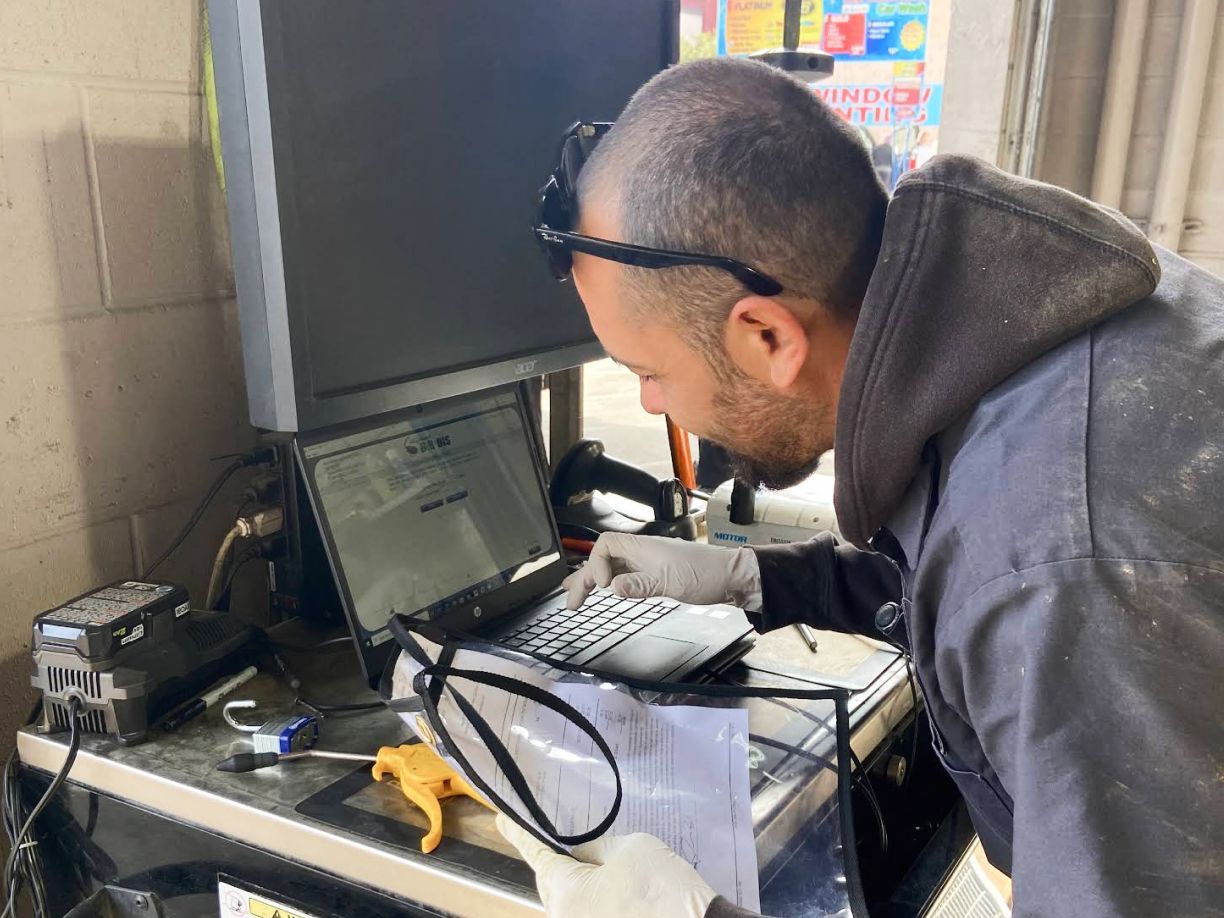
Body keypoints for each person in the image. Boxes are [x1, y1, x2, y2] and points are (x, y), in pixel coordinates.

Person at [497, 57, 1224, 917]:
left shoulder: (1058, 571)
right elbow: (956, 559)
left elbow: (1018, 576)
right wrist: (762, 579)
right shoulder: (1018, 309)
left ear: (768, 335)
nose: (650, 402)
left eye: (647, 371)